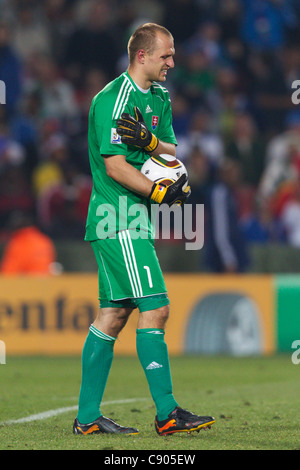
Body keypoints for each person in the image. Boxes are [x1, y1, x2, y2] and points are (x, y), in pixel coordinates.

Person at [73, 23, 215, 437]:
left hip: (132, 217)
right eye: (166, 55)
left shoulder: (160, 97)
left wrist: (152, 144)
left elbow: (171, 149)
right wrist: (159, 192)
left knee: (114, 314)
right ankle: (168, 413)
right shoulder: (112, 100)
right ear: (142, 55)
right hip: (116, 218)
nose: (173, 62)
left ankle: (86, 418)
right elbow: (115, 166)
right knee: (157, 306)